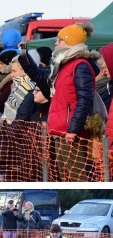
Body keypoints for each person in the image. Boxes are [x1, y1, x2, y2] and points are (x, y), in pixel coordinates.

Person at [18, 22, 101, 182]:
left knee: (76, 177)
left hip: (71, 133)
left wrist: (74, 129)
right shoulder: (63, 65)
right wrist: (24, 56)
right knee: (66, 176)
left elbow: (84, 100)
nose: (56, 43)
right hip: (61, 129)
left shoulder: (80, 65)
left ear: (70, 41)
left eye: (60, 40)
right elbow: (40, 77)